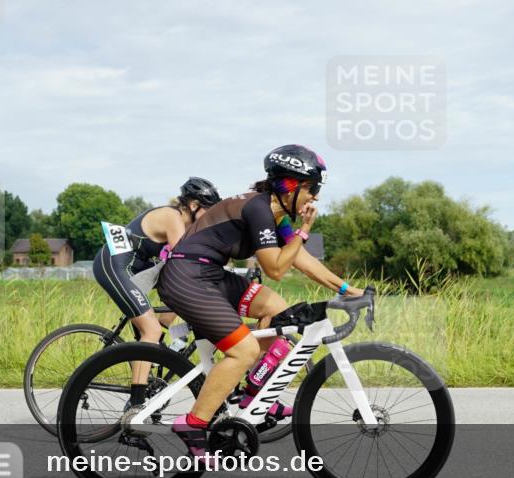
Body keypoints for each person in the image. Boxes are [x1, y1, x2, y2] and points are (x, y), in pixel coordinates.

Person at [156, 145, 363, 461]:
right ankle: (193, 424)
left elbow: (301, 259)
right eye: (312, 188)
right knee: (244, 350)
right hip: (188, 277)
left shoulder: (272, 212)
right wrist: (304, 231)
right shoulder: (258, 209)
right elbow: (276, 268)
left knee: (276, 309)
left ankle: (255, 391)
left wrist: (349, 290)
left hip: (208, 273)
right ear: (289, 185)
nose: (316, 197)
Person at [93, 177, 221, 407]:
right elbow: (187, 260)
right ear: (193, 206)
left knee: (166, 315)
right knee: (150, 330)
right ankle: (136, 404)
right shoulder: (172, 217)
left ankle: (161, 359)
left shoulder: (184, 223)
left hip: (133, 270)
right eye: (208, 211)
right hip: (113, 265)